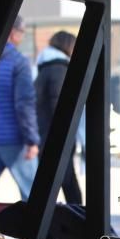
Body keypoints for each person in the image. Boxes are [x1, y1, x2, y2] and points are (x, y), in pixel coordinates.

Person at [0, 16, 40, 200]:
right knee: (34, 196)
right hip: (15, 139)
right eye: (22, 33)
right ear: (13, 33)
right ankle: (32, 230)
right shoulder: (19, 62)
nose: (22, 37)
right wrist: (32, 140)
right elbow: (24, 103)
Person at [34, 30, 83, 204]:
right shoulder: (59, 69)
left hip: (46, 133)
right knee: (68, 180)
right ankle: (79, 217)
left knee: (53, 180)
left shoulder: (45, 68)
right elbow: (59, 104)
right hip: (58, 136)